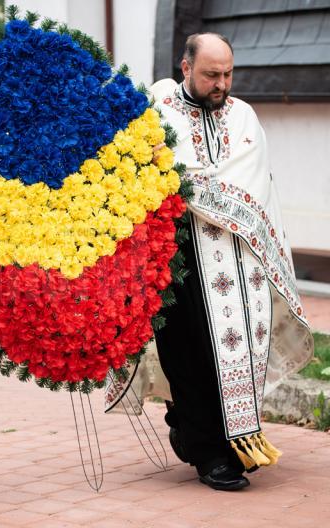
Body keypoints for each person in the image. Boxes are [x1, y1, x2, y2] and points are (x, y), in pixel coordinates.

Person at [145, 33, 313, 490]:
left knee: (236, 346)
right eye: (211, 75)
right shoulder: (157, 110)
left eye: (227, 74)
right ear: (185, 68)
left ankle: (228, 434)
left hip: (236, 258)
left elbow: (250, 183)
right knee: (187, 352)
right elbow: (142, 168)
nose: (221, 83)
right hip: (176, 253)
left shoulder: (243, 116)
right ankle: (209, 454)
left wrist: (182, 178)